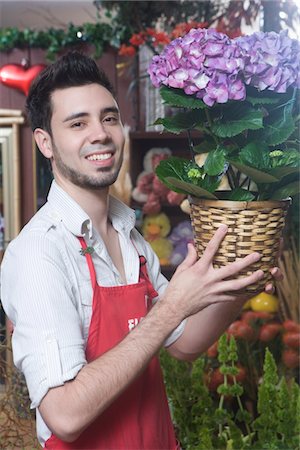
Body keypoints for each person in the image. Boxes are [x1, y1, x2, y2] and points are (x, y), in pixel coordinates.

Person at [0, 51, 282, 450]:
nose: (99, 133)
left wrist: (238, 286)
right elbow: (64, 415)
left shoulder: (129, 234)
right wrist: (171, 308)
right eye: (77, 123)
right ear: (45, 142)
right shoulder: (39, 253)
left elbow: (183, 342)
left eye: (109, 117)